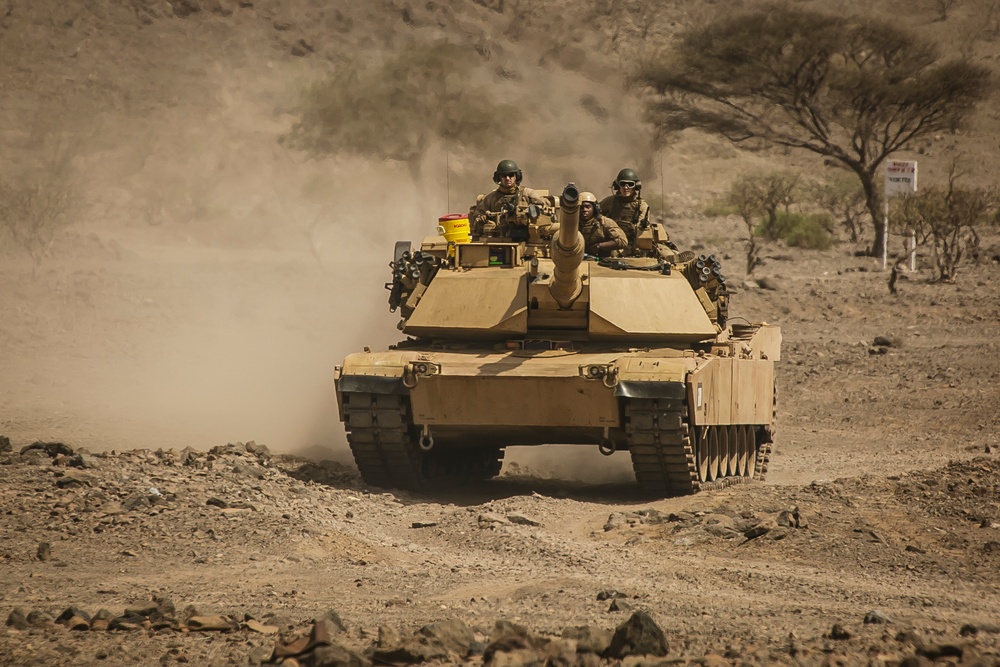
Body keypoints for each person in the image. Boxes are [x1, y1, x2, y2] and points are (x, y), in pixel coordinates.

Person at [469, 159, 548, 239]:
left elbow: (545, 205)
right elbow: (476, 220)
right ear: (499, 177)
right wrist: (483, 220)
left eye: (510, 175)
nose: (507, 178)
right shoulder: (490, 198)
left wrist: (529, 212)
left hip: (526, 239)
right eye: (504, 176)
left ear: (516, 176)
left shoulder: (527, 193)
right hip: (496, 240)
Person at [599, 168, 650, 250]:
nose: (626, 188)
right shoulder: (610, 201)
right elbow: (596, 213)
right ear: (617, 186)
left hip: (633, 245)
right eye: (623, 184)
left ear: (635, 187)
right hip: (613, 243)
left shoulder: (642, 206)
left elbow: (641, 229)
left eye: (630, 184)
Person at [578, 192, 627, 257]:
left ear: (595, 208)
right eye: (581, 207)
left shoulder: (605, 222)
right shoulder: (572, 224)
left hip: (602, 260)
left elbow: (622, 241)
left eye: (588, 207)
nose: (584, 210)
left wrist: (599, 246)